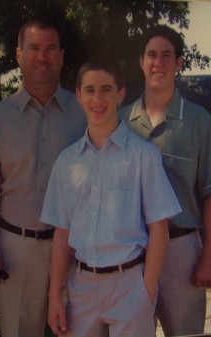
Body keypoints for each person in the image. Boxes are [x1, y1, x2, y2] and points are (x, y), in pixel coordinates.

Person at [41, 58, 181, 337]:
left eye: (106, 89)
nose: (98, 98)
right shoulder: (66, 162)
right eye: (90, 90)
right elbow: (62, 232)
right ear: (79, 96)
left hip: (129, 284)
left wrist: (147, 289)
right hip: (81, 288)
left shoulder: (143, 156)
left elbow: (159, 228)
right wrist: (55, 295)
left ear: (120, 95)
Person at [0, 18, 87, 337]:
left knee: (80, 330)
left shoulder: (86, 113)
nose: (42, 56)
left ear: (61, 56)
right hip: (17, 250)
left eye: (50, 49)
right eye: (34, 48)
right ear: (18, 55)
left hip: (78, 250)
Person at [119, 25, 211, 336]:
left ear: (179, 62)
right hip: (131, 252)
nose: (158, 63)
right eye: (152, 55)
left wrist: (209, 256)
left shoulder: (199, 122)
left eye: (167, 56)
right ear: (141, 61)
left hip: (181, 250)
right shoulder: (119, 122)